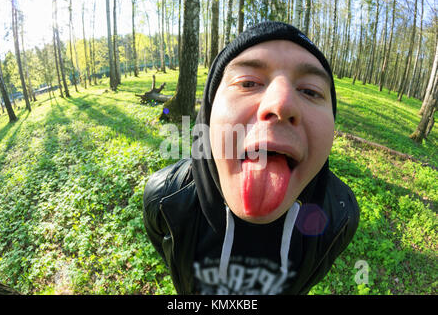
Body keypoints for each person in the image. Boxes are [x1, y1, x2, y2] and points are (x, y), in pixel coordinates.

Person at [143, 21, 359, 295]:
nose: (281, 104)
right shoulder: (164, 197)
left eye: (310, 91)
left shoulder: (340, 216)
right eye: (247, 82)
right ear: (208, 113)